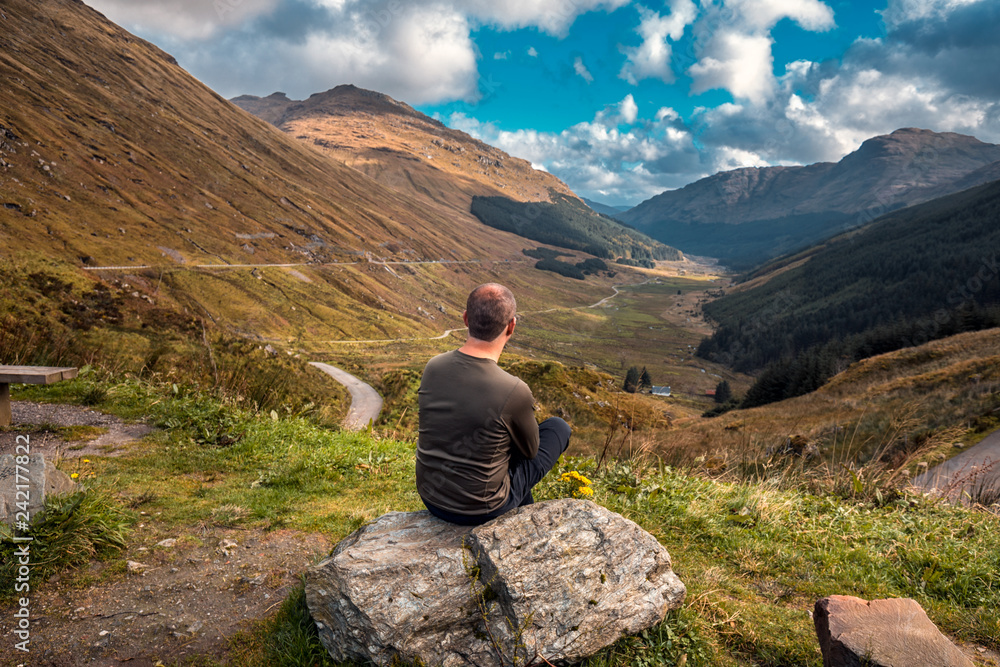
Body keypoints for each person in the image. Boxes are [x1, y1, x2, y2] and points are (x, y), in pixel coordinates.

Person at [415, 283, 571, 525]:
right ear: (511, 326)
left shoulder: (433, 366)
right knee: (558, 427)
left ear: (466, 319)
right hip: (482, 509)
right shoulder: (513, 389)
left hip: (432, 497)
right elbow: (530, 452)